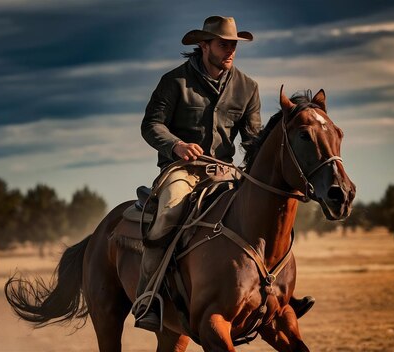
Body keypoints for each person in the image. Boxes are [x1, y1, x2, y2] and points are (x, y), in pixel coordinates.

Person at [133, 15, 314, 332]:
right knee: (166, 215)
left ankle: (280, 295)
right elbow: (151, 125)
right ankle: (148, 298)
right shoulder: (174, 82)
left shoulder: (247, 87)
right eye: (223, 44)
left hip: (227, 173)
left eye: (234, 45)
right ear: (204, 45)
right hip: (182, 170)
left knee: (268, 217)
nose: (230, 50)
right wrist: (175, 146)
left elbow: (252, 140)